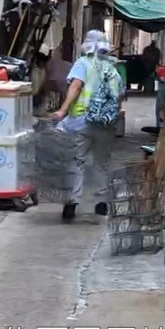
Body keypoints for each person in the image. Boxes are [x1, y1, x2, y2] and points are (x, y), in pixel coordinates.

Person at [50, 30, 124, 222]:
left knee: (76, 161)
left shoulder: (83, 64)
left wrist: (63, 110)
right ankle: (101, 203)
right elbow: (120, 95)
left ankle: (72, 202)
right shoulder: (112, 67)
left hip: (81, 121)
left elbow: (75, 86)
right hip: (105, 123)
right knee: (102, 162)